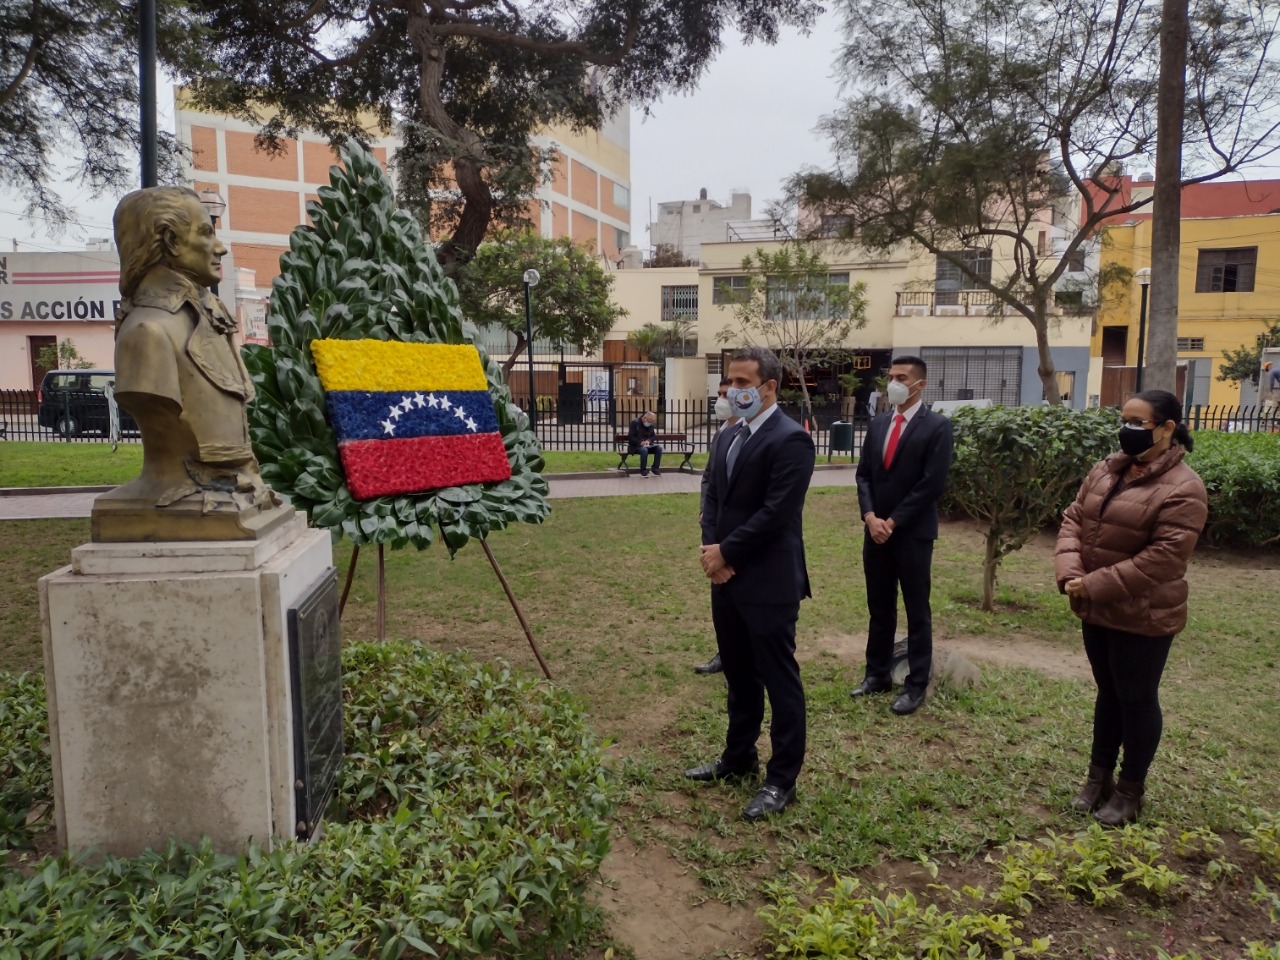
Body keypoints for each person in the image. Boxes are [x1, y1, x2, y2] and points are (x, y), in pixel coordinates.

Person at [1055, 389, 1208, 826]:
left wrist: (1095, 583)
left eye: (1137, 422)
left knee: (1137, 698)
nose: (1127, 429)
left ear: (1166, 429)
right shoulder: (1106, 469)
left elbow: (1165, 557)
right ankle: (1097, 778)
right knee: (1108, 693)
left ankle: (1130, 790)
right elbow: (1073, 519)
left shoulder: (1184, 488)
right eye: (1123, 419)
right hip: (1095, 605)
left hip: (1144, 615)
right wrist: (1070, 573)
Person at [686, 347, 815, 821]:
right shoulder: (727, 436)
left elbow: (776, 513)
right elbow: (713, 499)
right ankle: (738, 757)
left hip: (769, 581)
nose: (735, 391)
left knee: (779, 681)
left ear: (769, 388)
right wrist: (712, 552)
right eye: (731, 382)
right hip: (725, 578)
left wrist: (728, 552)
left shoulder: (791, 440)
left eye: (744, 382)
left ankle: (782, 781)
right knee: (739, 676)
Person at [850, 355, 953, 716]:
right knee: (879, 607)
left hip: (911, 535)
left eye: (901, 377)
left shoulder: (937, 427)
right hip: (875, 531)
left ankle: (916, 683)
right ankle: (876, 673)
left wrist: (892, 522)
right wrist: (870, 517)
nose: (893, 382)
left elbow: (931, 484)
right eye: (890, 376)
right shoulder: (878, 424)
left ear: (919, 384)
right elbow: (864, 475)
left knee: (916, 610)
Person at [694, 378, 737, 676]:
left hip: (740, 532)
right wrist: (704, 511)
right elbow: (708, 478)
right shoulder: (720, 434)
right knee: (720, 596)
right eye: (718, 394)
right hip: (716, 528)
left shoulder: (748, 435)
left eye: (726, 394)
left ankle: (742, 656)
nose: (720, 400)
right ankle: (725, 652)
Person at [628, 410, 663, 477]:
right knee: (644, 450)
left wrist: (649, 441)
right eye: (649, 422)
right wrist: (640, 442)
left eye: (651, 423)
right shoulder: (635, 423)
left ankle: (655, 469)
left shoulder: (650, 425)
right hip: (635, 446)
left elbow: (653, 436)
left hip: (647, 446)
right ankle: (643, 470)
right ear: (644, 418)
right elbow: (631, 437)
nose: (649, 424)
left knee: (659, 448)